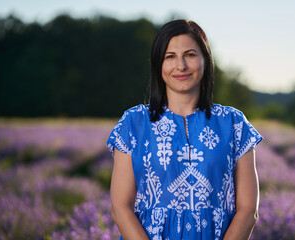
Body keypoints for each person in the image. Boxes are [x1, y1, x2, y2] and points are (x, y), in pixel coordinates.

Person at [106, 19, 263, 240]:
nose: (181, 66)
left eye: (190, 54)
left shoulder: (235, 124)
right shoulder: (133, 123)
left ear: (205, 60)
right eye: (170, 57)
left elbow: (248, 211)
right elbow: (121, 208)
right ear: (158, 65)